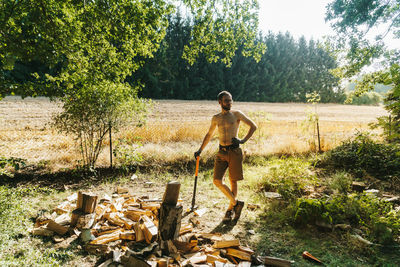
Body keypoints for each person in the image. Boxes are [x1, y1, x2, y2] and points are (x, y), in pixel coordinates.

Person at [194, 91, 257, 223]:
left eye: (230, 100)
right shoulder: (216, 118)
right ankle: (236, 203)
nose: (230, 102)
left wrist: (242, 140)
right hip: (221, 152)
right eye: (226, 100)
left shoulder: (237, 114)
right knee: (217, 180)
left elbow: (253, 126)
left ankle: (229, 210)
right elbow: (209, 135)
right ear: (220, 102)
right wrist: (200, 149)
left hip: (234, 152)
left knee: (233, 181)